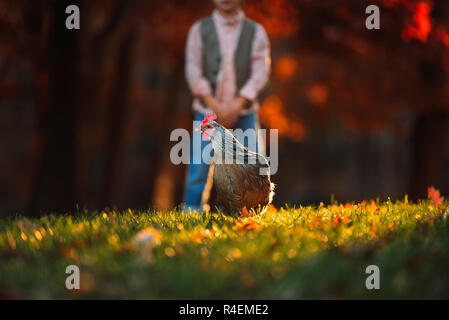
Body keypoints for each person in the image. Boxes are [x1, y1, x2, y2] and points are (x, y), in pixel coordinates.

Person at [183, 0, 271, 212]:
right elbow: (194, 69)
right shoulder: (199, 30)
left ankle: (254, 210)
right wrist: (215, 106)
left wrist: (239, 103)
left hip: (244, 111)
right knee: (198, 168)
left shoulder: (256, 31)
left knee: (255, 168)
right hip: (208, 110)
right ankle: (192, 211)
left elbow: (260, 71)